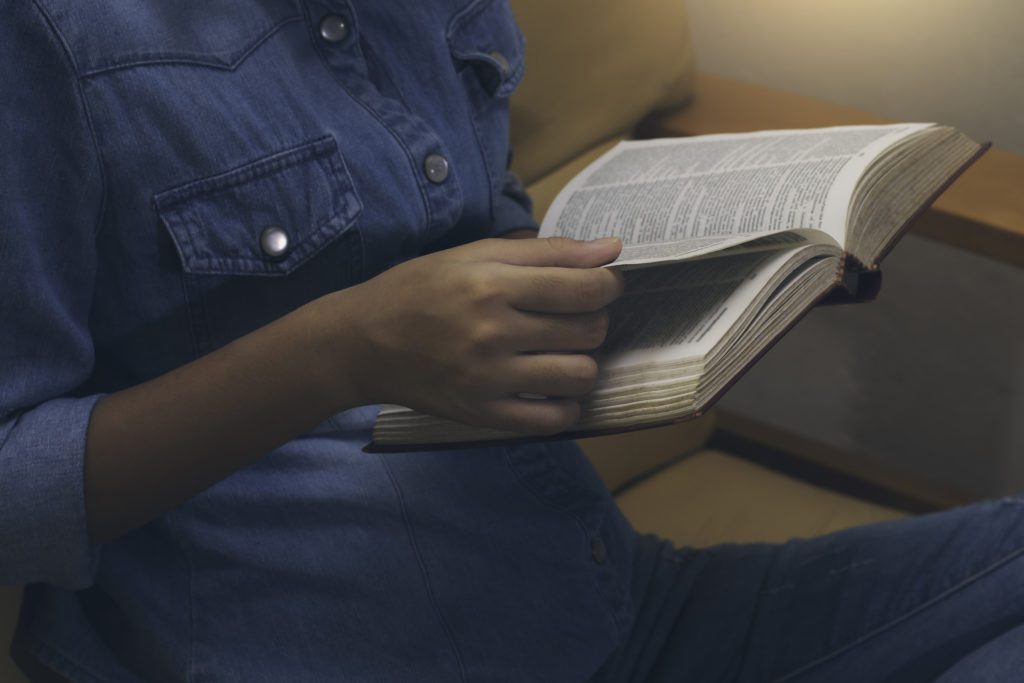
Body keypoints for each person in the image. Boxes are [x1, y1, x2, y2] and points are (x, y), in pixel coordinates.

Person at [3, 3, 1024, 682]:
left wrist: (736, 274)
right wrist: (341, 348)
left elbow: (486, 247)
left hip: (610, 604)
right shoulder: (44, 38)